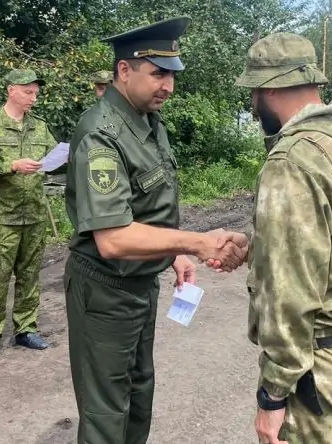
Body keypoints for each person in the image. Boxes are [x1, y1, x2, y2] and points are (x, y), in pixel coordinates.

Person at [63, 16, 249, 444]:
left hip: (139, 287)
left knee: (138, 395)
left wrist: (174, 255)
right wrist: (196, 242)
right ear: (124, 71)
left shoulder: (147, 122)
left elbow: (145, 209)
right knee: (107, 412)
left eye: (172, 75)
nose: (168, 86)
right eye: (158, 74)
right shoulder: (102, 133)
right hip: (106, 292)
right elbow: (113, 239)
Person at [235, 33, 332, 444]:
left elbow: (289, 294)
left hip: (319, 379)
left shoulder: (292, 162)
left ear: (269, 88)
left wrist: (272, 396)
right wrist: (258, 246)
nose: (253, 107)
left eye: (253, 93)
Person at [0, 69, 58, 367]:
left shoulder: (40, 127)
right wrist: (11, 165)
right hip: (2, 218)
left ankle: (26, 328)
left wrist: (64, 158)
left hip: (33, 214)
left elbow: (53, 156)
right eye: (28, 92)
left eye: (36, 92)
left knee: (30, 275)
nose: (34, 98)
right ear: (11, 90)